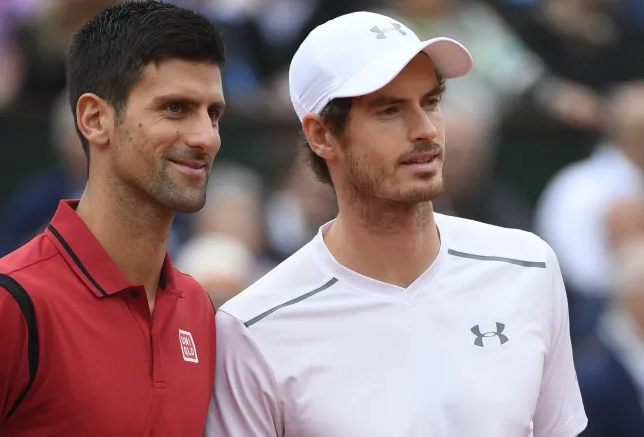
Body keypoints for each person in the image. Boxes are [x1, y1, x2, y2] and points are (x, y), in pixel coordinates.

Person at [206, 11, 587, 437]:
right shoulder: (253, 326)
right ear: (321, 135)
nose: (426, 130)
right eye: (390, 110)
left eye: (431, 101)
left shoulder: (528, 267)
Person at [0, 2, 226, 436]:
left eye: (214, 113)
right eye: (175, 108)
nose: (207, 137)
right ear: (94, 119)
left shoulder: (196, 307)